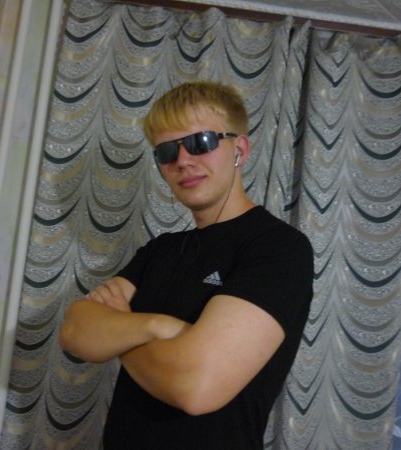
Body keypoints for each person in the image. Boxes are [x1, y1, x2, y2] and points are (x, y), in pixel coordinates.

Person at [59, 81, 314, 449]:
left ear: (239, 149)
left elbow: (196, 389)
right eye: (167, 151)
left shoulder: (278, 247)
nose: (183, 161)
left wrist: (119, 330)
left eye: (201, 142)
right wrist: (158, 326)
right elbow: (75, 332)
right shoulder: (160, 250)